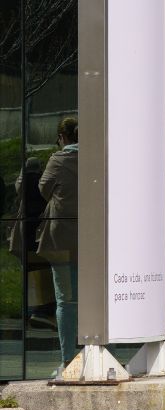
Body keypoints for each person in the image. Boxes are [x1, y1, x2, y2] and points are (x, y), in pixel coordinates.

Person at [35, 119, 80, 366]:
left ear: (62, 137)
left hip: (61, 238)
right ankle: (101, 353)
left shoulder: (58, 160)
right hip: (92, 240)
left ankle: (68, 359)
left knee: (65, 300)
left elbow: (43, 189)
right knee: (94, 298)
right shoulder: (96, 157)